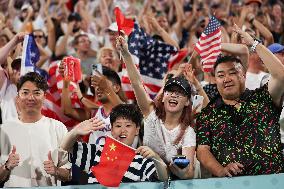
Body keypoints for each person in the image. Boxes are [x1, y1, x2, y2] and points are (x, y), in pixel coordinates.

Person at [196, 25, 284, 177]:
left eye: (233, 72)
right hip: (232, 184)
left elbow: (281, 75)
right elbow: (203, 150)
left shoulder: (263, 98)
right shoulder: (208, 113)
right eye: (221, 75)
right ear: (215, 80)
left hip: (272, 181)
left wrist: (254, 44)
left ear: (244, 75)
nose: (227, 79)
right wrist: (220, 170)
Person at [116, 36, 209, 179]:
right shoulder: (150, 113)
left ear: (186, 102)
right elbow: (136, 83)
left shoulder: (188, 131)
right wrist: (127, 55)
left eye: (179, 93)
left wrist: (177, 168)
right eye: (170, 91)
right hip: (146, 179)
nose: (174, 95)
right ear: (163, 96)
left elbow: (189, 173)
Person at [61, 103, 168, 184]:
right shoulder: (97, 152)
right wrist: (75, 132)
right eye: (118, 126)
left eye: (128, 126)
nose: (123, 130)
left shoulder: (143, 160)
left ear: (137, 130)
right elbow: (64, 149)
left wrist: (156, 158)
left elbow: (163, 178)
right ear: (111, 129)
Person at [0, 72, 71, 187]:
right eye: (25, 93)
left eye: (37, 93)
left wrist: (56, 170)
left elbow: (68, 174)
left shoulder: (58, 128)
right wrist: (7, 166)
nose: (31, 98)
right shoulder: (3, 130)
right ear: (18, 97)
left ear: (44, 97)